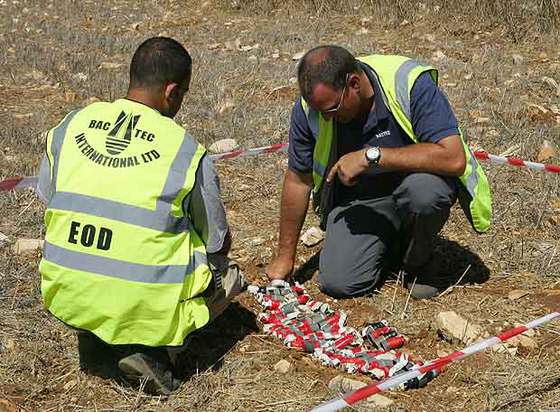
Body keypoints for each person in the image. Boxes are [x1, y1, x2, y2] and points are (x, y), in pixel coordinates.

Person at [36, 37, 245, 395]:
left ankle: (93, 332)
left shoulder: (71, 126)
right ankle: (154, 350)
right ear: (173, 92)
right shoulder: (186, 151)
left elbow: (48, 196)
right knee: (228, 275)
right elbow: (215, 240)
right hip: (147, 305)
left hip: (65, 293)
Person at [265, 45, 492, 300]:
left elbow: (453, 158)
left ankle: (418, 261)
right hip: (360, 202)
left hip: (414, 187)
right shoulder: (313, 109)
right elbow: (298, 180)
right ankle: (389, 244)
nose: (325, 119)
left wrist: (371, 157)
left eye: (331, 111)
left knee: (424, 192)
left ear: (354, 83)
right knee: (339, 283)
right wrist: (285, 256)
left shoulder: (408, 84)